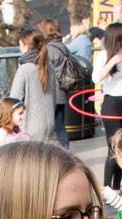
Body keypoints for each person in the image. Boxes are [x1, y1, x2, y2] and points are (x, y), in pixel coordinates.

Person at [94, 23, 122, 192]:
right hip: (111, 104)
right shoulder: (105, 55)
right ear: (117, 37)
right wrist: (111, 61)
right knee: (114, 147)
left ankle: (116, 187)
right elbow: (96, 78)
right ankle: (106, 188)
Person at [10, 30, 57, 143]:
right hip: (49, 124)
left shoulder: (25, 69)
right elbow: (54, 97)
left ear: (26, 45)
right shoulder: (48, 66)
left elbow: (14, 100)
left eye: (20, 44)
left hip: (29, 128)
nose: (19, 48)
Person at [40, 20, 76, 149]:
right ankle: (65, 150)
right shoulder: (62, 46)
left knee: (53, 126)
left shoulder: (49, 49)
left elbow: (45, 71)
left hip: (52, 92)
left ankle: (62, 153)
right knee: (60, 124)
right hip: (62, 91)